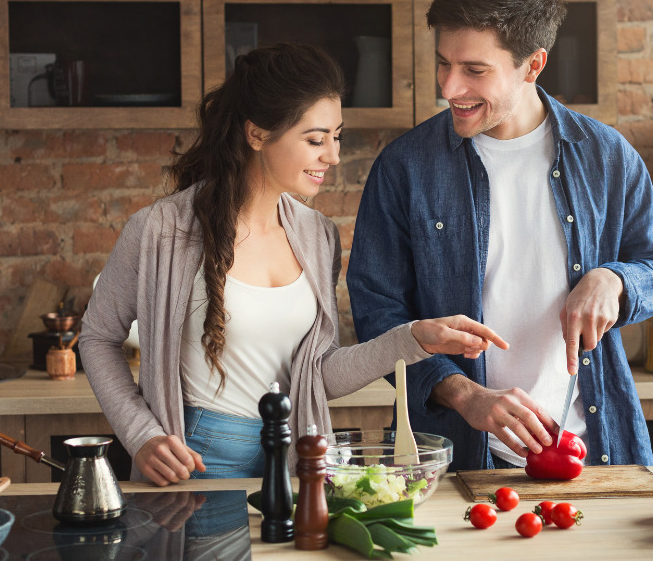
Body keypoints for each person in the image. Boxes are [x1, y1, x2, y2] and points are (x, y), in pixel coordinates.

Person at [80, 43, 507, 485]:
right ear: (258, 134)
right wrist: (141, 434)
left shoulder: (317, 235)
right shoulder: (160, 230)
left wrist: (413, 339)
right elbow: (97, 338)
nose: (333, 156)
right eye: (315, 139)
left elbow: (316, 376)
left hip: (297, 460)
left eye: (336, 136)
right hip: (198, 460)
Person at [347, 0, 653, 472]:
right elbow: (378, 314)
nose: (449, 87)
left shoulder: (606, 157)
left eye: (475, 71)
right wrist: (464, 394)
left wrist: (614, 280)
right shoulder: (405, 168)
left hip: (592, 451)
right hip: (456, 458)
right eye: (444, 63)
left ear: (533, 64)